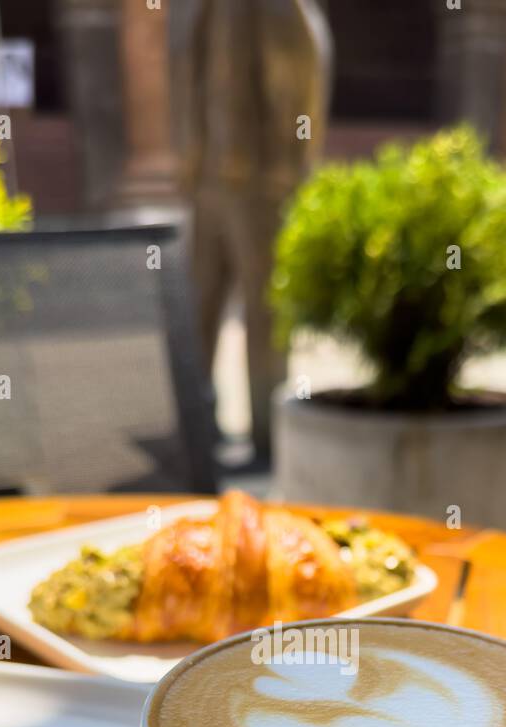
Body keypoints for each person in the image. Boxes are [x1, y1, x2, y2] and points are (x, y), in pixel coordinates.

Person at [168, 0, 332, 463]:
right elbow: (190, 76)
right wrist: (191, 157)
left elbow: (298, 73)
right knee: (197, 304)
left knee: (266, 313)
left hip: (259, 184)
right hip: (208, 183)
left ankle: (268, 436)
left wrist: (287, 165)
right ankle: (196, 428)